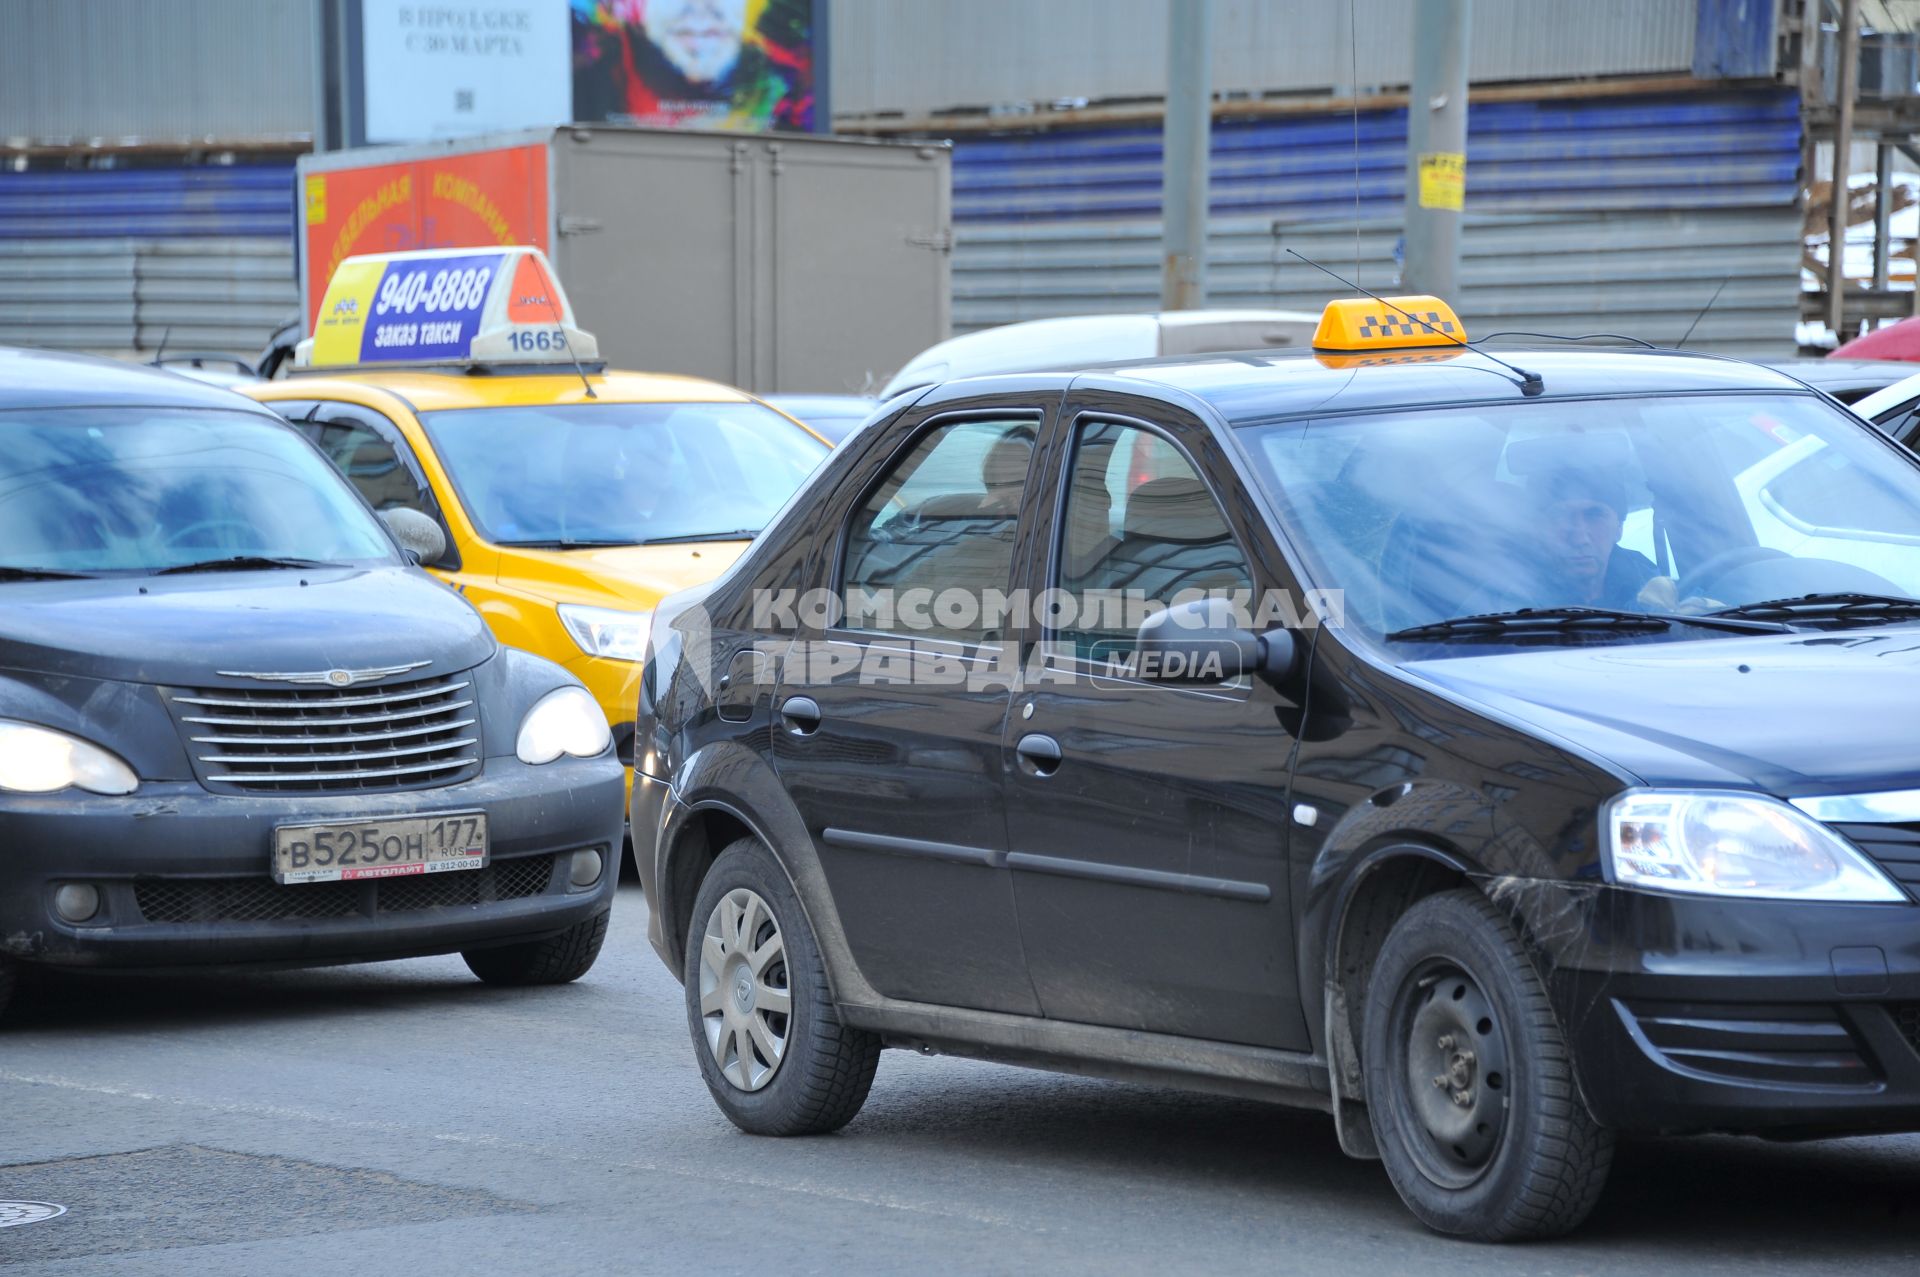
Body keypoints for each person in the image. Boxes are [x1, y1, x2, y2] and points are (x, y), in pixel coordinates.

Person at [1527, 467, 1660, 609]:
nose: (1579, 539)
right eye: (1561, 517)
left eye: (1595, 515)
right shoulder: (1514, 596)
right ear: (1541, 530)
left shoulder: (1653, 592)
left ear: (1619, 528)